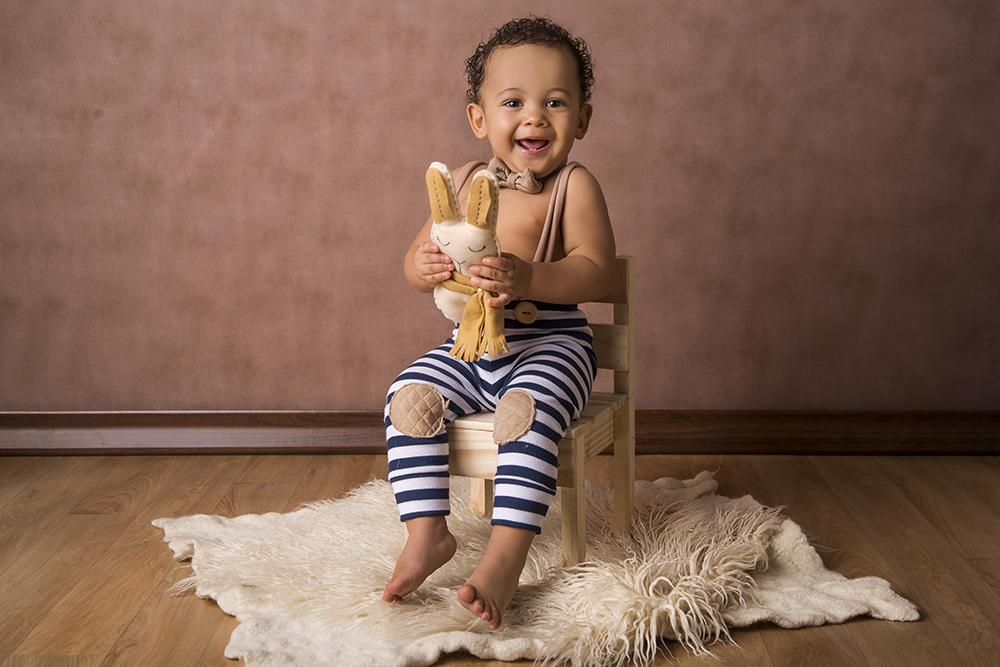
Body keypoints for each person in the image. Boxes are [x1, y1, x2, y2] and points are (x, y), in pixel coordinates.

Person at [382, 16, 616, 630]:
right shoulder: (460, 184)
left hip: (552, 347)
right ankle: (428, 534)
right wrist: (424, 263)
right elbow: (413, 260)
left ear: (582, 121)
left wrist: (530, 277)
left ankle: (506, 560)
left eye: (555, 103)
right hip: (472, 349)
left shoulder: (575, 185)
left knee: (526, 415)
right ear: (479, 118)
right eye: (513, 102)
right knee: (407, 398)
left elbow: (595, 271)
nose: (534, 118)